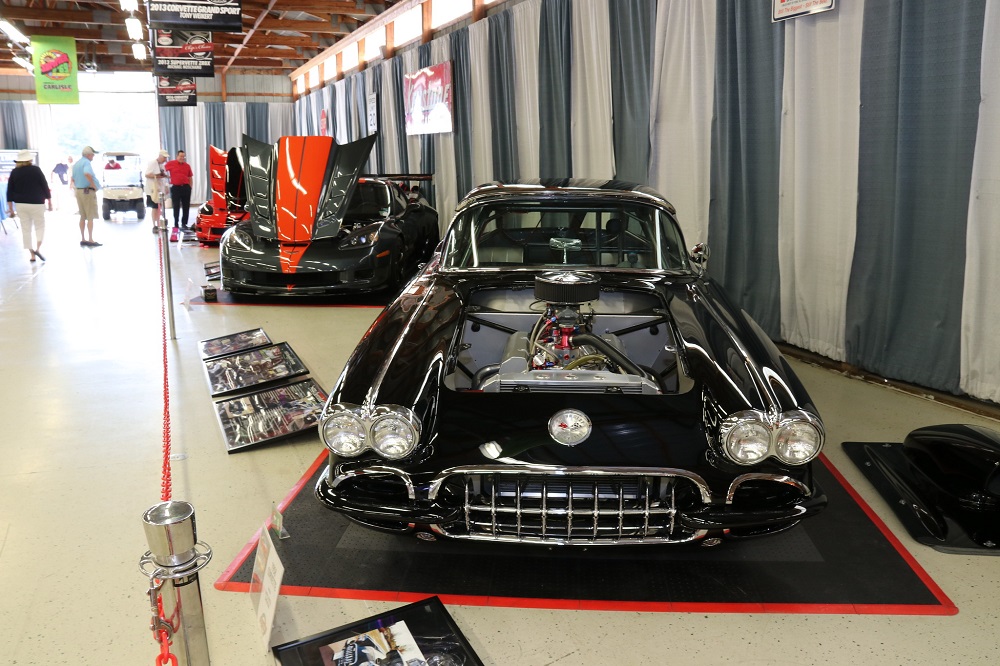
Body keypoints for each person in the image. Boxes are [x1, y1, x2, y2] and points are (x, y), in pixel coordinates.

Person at [6, 150, 52, 263]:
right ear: (29, 159)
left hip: (21, 204)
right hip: (37, 203)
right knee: (39, 226)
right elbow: (44, 185)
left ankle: (32, 254)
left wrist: (11, 208)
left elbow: (10, 191)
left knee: (26, 229)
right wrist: (50, 201)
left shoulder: (14, 172)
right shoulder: (36, 170)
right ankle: (38, 249)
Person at [71, 145, 102, 247]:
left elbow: (73, 178)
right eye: (92, 155)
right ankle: (91, 239)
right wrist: (93, 185)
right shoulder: (86, 162)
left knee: (82, 215)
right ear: (88, 155)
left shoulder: (76, 164)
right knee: (90, 216)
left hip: (79, 191)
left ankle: (83, 238)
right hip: (87, 191)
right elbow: (87, 173)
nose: (93, 157)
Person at [163, 149, 193, 229]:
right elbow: (162, 170)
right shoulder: (171, 164)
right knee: (176, 206)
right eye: (180, 156)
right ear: (177, 156)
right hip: (176, 188)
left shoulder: (187, 166)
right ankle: (176, 224)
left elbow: (190, 177)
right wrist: (166, 178)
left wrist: (190, 187)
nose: (182, 158)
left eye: (183, 156)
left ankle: (184, 224)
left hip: (186, 187)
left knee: (186, 206)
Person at [144, 149, 169, 232]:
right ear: (160, 156)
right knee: (154, 207)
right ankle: (154, 225)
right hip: (152, 190)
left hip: (160, 189)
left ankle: (159, 224)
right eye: (164, 158)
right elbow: (147, 174)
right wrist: (157, 176)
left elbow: (163, 178)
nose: (165, 160)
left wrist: (166, 187)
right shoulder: (152, 163)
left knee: (160, 207)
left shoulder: (162, 165)